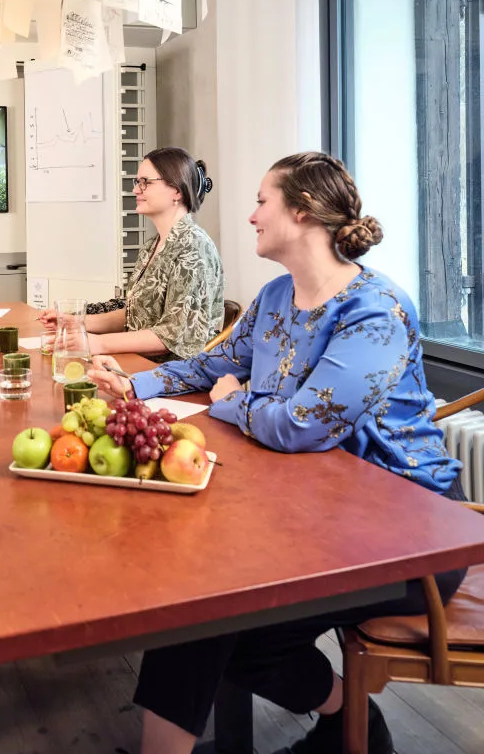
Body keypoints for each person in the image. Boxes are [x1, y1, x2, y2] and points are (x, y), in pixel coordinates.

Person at [89, 151, 464, 754]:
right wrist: (135, 384)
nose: (250, 215)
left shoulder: (376, 311)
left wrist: (233, 402)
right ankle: (351, 720)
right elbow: (216, 366)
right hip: (322, 513)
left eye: (262, 200)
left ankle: (351, 725)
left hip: (409, 536)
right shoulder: (274, 296)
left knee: (214, 613)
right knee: (197, 598)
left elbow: (299, 426)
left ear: (304, 210)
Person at [40, 148, 224, 359]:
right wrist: (76, 322)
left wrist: (97, 343)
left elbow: (172, 336)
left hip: (173, 376)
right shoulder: (152, 245)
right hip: (140, 362)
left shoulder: (194, 248)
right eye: (137, 182)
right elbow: (132, 312)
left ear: (177, 191)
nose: (136, 190)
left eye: (146, 182)